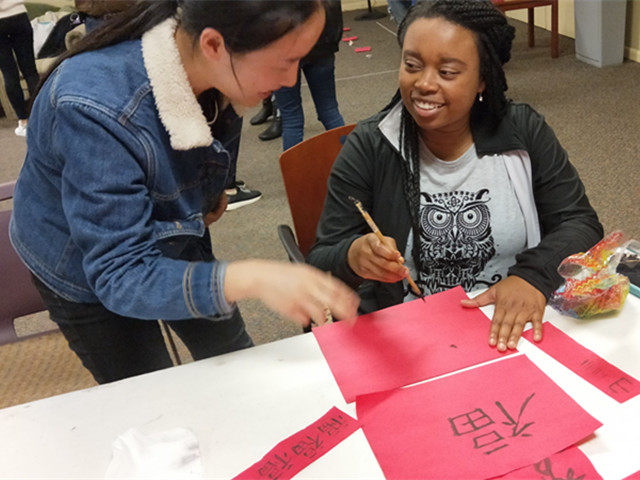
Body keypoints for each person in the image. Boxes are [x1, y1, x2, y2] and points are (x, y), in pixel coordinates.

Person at [10, 0, 359, 384]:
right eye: (284, 62)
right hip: (84, 267)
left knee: (236, 358)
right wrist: (253, 277)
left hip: (174, 235)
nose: (292, 81)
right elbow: (120, 275)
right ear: (213, 45)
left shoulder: (215, 70)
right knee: (151, 388)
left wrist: (204, 194)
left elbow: (197, 157)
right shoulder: (96, 107)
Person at [306, 0, 603, 352]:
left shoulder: (522, 130)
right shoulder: (372, 145)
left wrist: (532, 277)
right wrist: (353, 255)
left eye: (447, 72)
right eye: (412, 65)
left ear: (482, 80)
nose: (424, 84)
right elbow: (320, 260)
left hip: (510, 326)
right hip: (414, 338)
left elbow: (580, 223)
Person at [274, 0, 344, 151]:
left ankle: (293, 166)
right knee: (329, 110)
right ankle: (349, 161)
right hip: (323, 42)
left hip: (284, 48)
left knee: (291, 118)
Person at [0, 0, 40, 137]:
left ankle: (23, 122)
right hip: (19, 15)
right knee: (30, 71)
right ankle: (41, 115)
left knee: (9, 73)